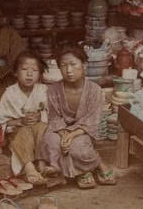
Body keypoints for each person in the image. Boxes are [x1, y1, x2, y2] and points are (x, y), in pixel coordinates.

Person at [37, 45, 116, 189]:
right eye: (63, 65)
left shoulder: (94, 90)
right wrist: (63, 133)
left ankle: (96, 164)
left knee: (78, 148)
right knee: (51, 142)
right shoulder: (53, 90)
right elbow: (54, 117)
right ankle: (83, 171)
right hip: (58, 129)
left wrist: (71, 135)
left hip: (83, 131)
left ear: (84, 65)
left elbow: (92, 121)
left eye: (73, 64)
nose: (68, 70)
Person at [0, 50, 49, 185]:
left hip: (38, 129)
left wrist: (40, 115)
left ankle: (42, 165)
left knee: (44, 128)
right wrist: (19, 121)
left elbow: (53, 114)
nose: (29, 74)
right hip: (17, 132)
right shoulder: (9, 93)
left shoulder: (43, 90)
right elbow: (0, 123)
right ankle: (29, 167)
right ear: (15, 72)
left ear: (40, 74)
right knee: (23, 132)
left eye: (35, 70)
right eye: (24, 69)